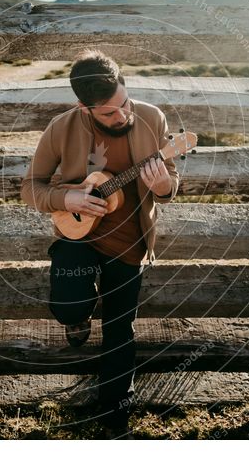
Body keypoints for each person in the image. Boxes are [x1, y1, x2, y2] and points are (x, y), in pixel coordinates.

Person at [20, 49, 180, 438]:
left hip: (130, 242)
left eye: (124, 104)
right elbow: (30, 187)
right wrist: (65, 199)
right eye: (108, 113)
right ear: (83, 107)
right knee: (68, 303)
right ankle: (75, 316)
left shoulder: (152, 118)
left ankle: (114, 413)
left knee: (119, 328)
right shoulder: (61, 127)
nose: (121, 116)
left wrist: (163, 187)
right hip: (79, 235)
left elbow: (170, 181)